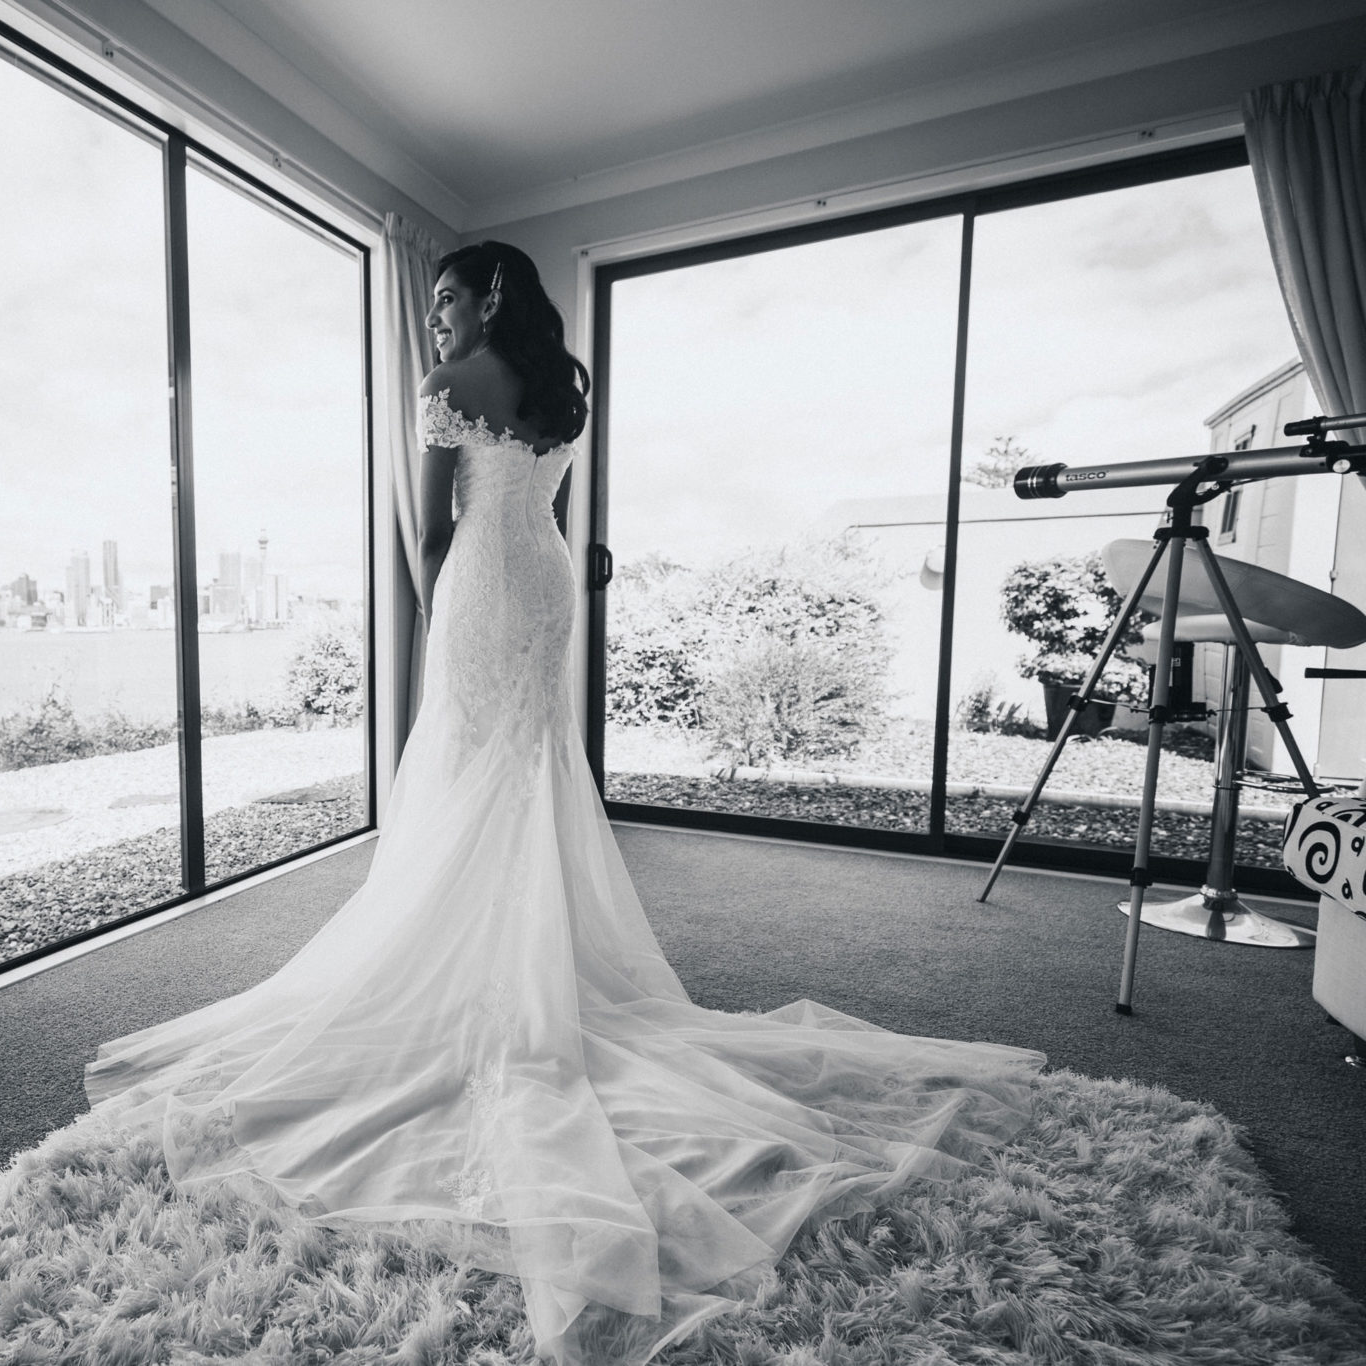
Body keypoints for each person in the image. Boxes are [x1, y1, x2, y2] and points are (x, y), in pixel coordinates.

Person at [85, 240, 1045, 1365]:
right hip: (540, 575)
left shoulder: (449, 388)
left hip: (484, 582)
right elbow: (542, 498)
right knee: (522, 765)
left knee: (468, 758)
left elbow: (437, 528)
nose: (432, 318)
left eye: (443, 297)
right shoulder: (561, 390)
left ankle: (474, 969)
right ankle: (515, 954)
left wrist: (428, 603)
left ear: (486, 294)